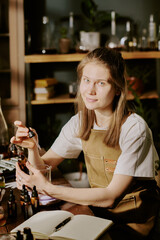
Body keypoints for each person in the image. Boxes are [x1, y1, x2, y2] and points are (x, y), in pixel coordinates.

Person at [11, 47, 160, 240]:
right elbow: (44, 167)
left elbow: (110, 196)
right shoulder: (80, 122)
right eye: (86, 80)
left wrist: (50, 188)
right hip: (99, 216)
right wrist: (33, 148)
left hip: (134, 224)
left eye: (101, 83)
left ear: (117, 89)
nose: (90, 90)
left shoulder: (134, 129)